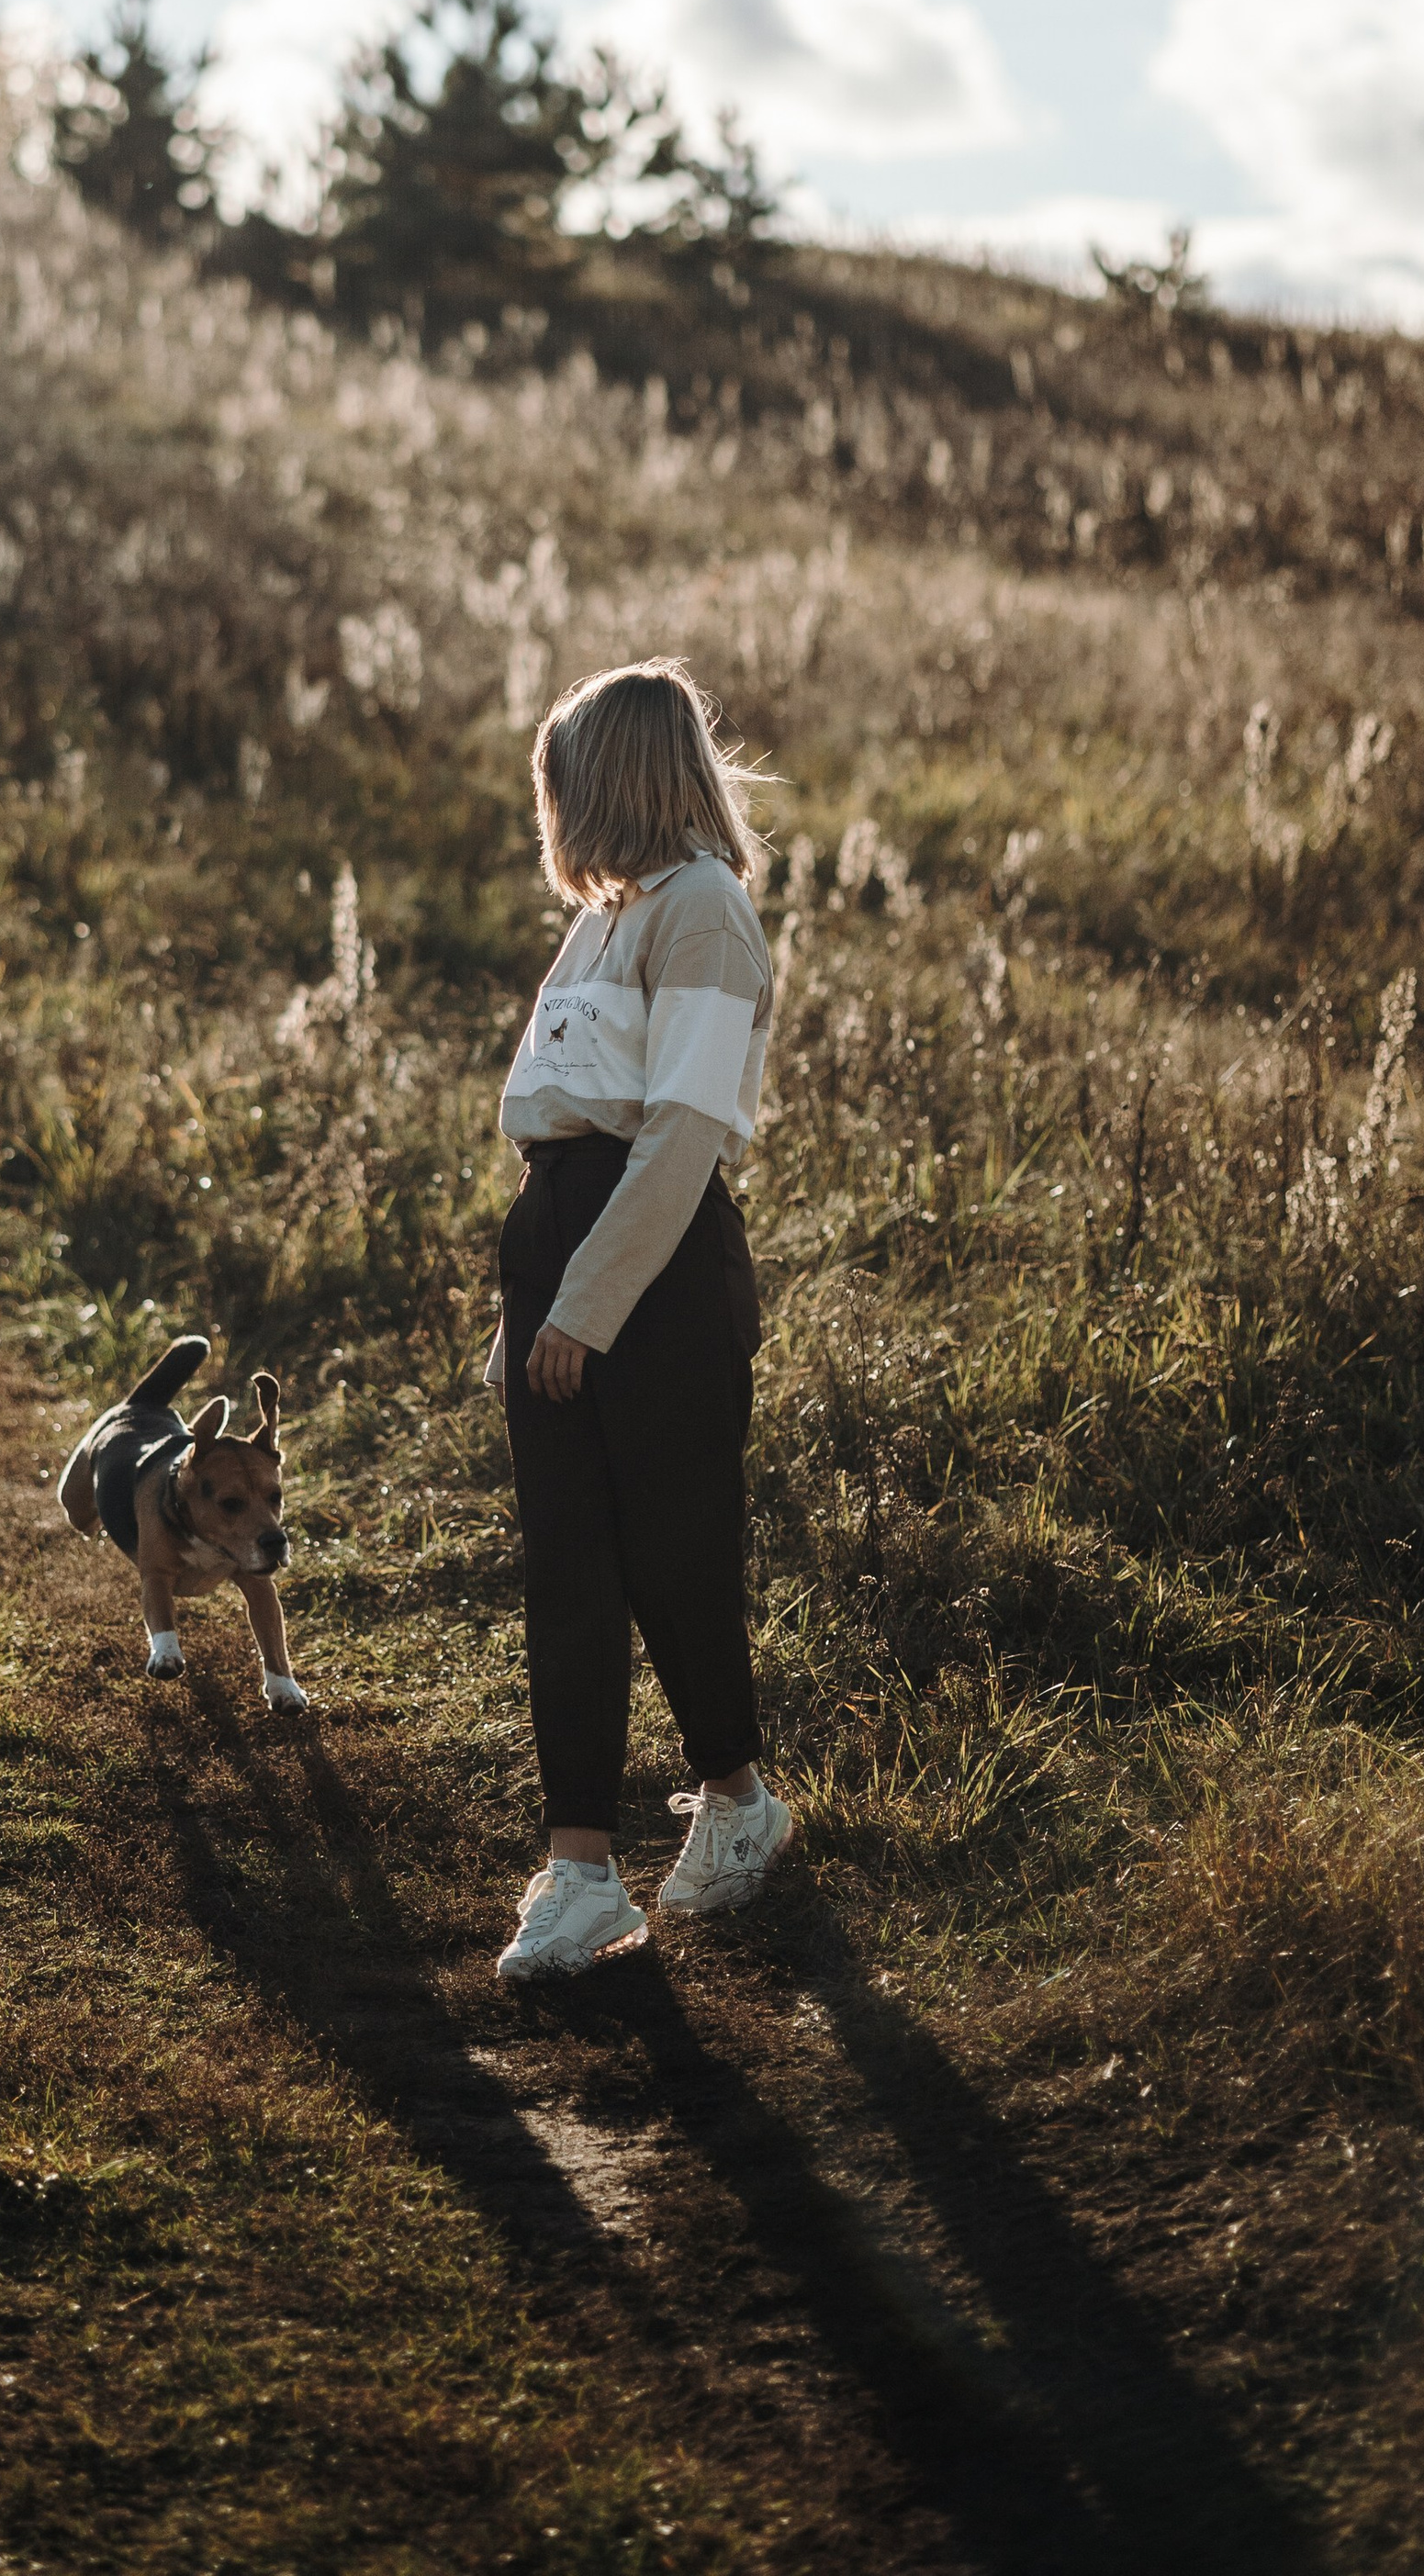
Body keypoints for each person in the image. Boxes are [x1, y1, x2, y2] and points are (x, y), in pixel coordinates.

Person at [489, 655, 790, 1982]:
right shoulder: (603, 919)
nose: (549, 810)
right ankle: (582, 1876)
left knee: (669, 1559)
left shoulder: (707, 913)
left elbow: (679, 1135)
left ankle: (739, 1806)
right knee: (569, 1564)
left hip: (658, 1267)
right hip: (565, 1232)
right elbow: (561, 1114)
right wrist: (530, 1304)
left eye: (561, 781)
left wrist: (590, 1305)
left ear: (608, 779)